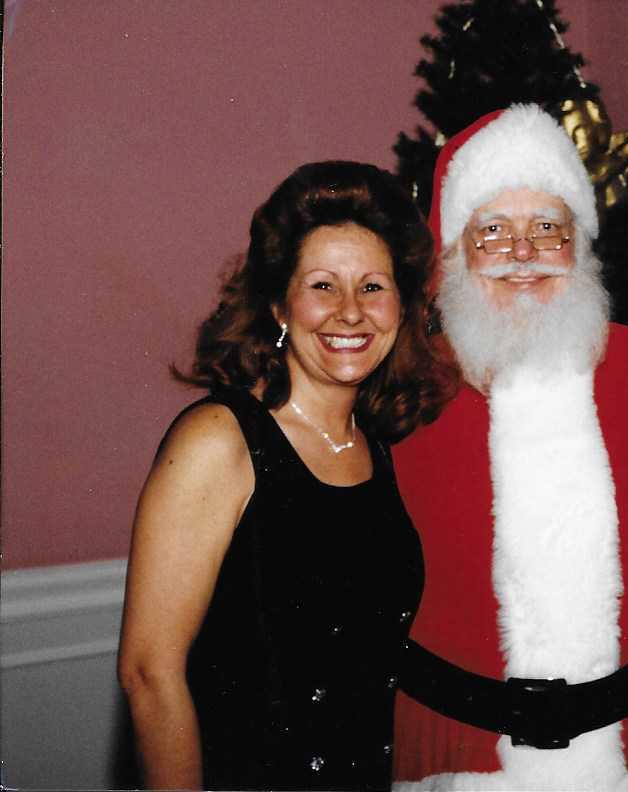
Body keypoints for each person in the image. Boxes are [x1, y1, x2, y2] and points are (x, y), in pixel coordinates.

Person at [389, 104, 628, 791]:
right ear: (453, 255)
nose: (523, 253)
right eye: (493, 231)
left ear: (580, 244)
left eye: (546, 229)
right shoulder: (406, 392)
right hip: (464, 758)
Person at [117, 161, 452, 791]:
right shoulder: (219, 439)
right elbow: (148, 673)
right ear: (279, 304)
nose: (350, 313)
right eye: (323, 286)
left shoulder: (380, 448)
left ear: (403, 309)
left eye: (373, 287)